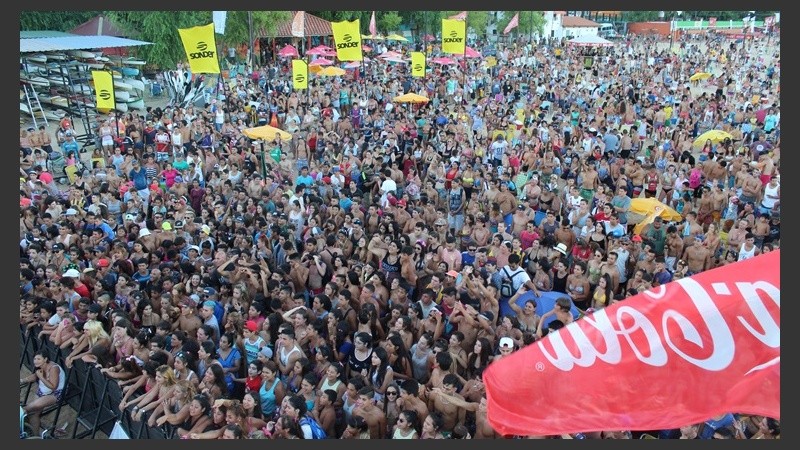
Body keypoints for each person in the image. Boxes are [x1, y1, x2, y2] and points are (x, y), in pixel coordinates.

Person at [21, 350, 66, 436]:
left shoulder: (54, 368)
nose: (35, 361)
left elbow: (53, 386)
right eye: (35, 359)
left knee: (27, 408)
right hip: (42, 392)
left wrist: (41, 377)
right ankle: (35, 436)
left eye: (38, 359)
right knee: (34, 414)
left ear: (45, 359)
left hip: (55, 393)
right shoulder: (41, 366)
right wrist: (22, 380)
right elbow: (35, 376)